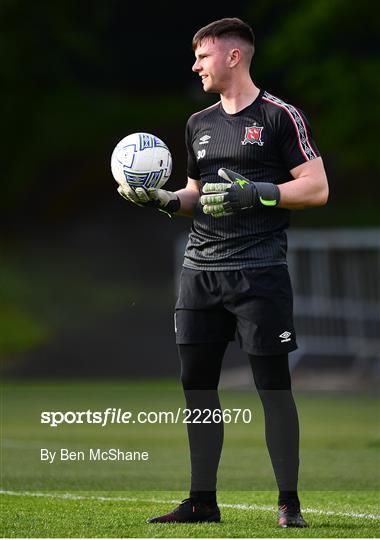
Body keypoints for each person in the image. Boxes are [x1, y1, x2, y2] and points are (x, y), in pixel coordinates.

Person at [117, 17, 328, 528]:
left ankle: (289, 503)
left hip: (259, 273)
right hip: (200, 272)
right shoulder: (198, 123)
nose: (195, 65)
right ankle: (201, 501)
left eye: (203, 56)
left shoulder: (280, 117)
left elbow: (317, 188)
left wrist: (260, 191)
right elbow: (196, 195)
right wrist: (167, 199)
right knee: (197, 387)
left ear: (234, 56)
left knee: (273, 387)